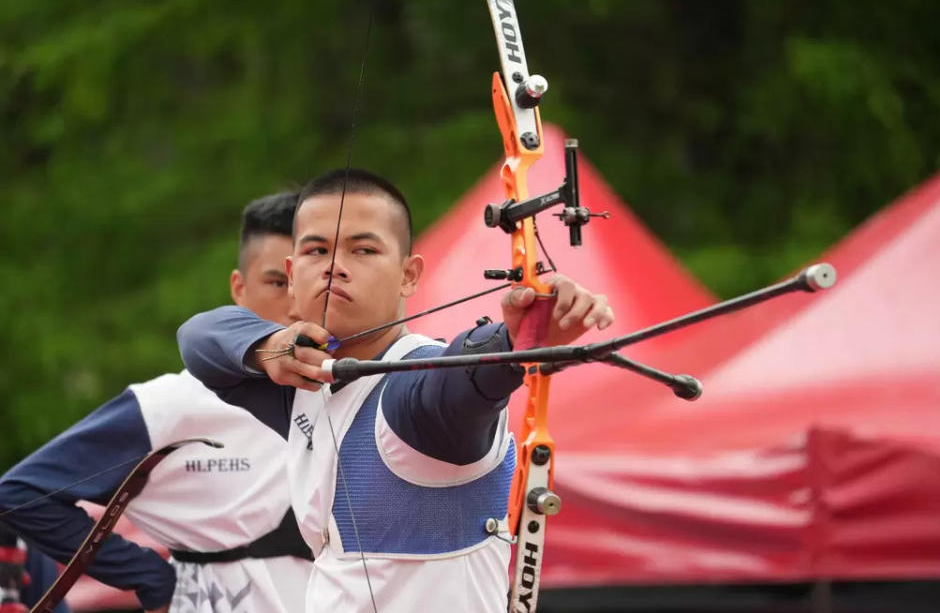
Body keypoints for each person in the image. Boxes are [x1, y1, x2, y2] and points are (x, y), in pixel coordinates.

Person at [177, 169, 615, 612]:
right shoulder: (303, 381)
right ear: (291, 276)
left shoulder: (414, 398)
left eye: (363, 249)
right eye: (316, 250)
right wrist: (268, 347)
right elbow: (198, 338)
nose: (334, 265)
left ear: (408, 275)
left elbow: (456, 380)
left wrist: (511, 340)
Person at [0, 192, 314, 613]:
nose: (295, 304)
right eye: (278, 282)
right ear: (239, 288)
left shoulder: (345, 392)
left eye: (308, 283)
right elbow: (24, 493)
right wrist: (152, 578)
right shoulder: (175, 403)